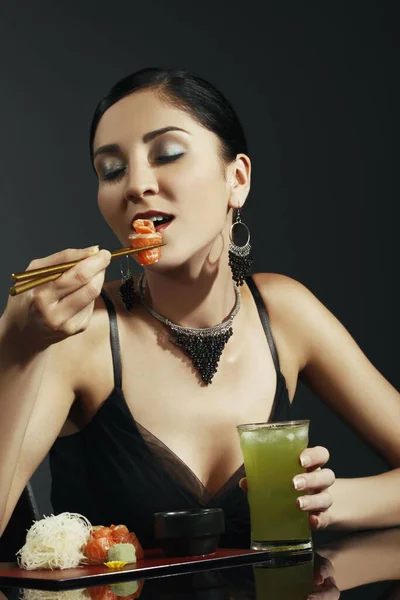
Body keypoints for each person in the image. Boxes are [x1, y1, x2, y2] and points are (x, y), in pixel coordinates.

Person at [0, 68, 399, 549]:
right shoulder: (82, 336)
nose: (135, 185)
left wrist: (331, 503)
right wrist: (14, 349)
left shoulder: (287, 313)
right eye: (111, 169)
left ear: (237, 179)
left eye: (166, 154)